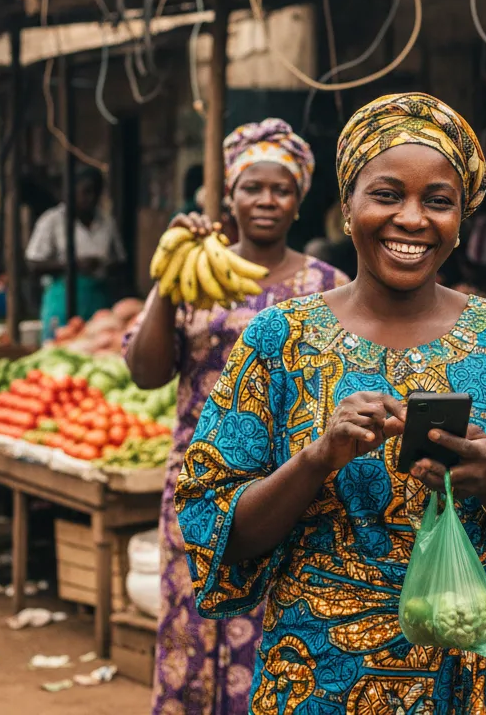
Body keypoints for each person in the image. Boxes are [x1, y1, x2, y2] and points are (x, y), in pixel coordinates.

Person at [174, 93, 486, 713]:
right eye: (386, 195)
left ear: (462, 218)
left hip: (478, 682)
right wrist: (316, 457)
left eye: (439, 201)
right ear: (347, 205)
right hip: (322, 676)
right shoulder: (279, 340)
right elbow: (216, 529)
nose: (413, 219)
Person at [124, 118, 348, 715]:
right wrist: (169, 274)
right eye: (253, 187)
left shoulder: (328, 287)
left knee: (278, 629)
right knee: (190, 631)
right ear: (230, 195)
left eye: (281, 189)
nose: (266, 200)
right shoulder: (197, 276)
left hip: (290, 489)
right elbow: (146, 371)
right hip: (198, 487)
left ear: (299, 200)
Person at [25, 168, 126, 341]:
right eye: (85, 192)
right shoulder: (52, 220)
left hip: (97, 300)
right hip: (61, 298)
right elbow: (33, 263)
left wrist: (104, 266)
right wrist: (73, 265)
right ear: (72, 192)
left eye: (96, 192)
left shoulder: (106, 222)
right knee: (59, 346)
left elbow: (120, 261)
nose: (91, 198)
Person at [302, 201, 358, 278]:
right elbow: (333, 234)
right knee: (315, 248)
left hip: (357, 248)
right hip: (339, 245)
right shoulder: (338, 209)